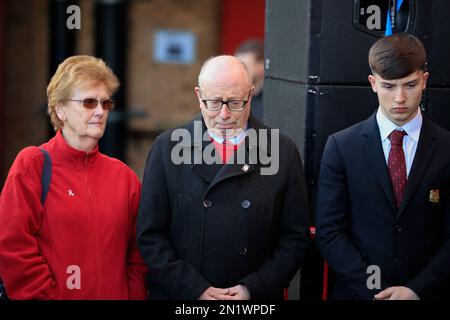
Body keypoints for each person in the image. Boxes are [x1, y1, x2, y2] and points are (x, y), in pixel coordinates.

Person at [137, 55, 310, 300]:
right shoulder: (167, 148)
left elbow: (295, 237)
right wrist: (194, 289)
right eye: (214, 103)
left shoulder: (282, 151)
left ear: (251, 95)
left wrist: (253, 288)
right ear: (198, 96)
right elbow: (150, 235)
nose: (225, 114)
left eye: (235, 102)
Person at [0, 55, 148, 299]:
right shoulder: (32, 165)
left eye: (105, 103)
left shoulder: (125, 178)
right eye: (89, 102)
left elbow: (138, 255)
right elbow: (12, 245)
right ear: (61, 109)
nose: (100, 111)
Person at [315, 34, 450, 300]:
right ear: (373, 83)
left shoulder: (447, 147)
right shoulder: (342, 147)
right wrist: (375, 290)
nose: (400, 98)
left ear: (424, 80)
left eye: (410, 85)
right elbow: (330, 232)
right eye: (389, 86)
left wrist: (416, 290)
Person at [235, 39, 265, 122]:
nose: (238, 71)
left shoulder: (272, 102)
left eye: (245, 66)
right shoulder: (231, 98)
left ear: (262, 66)